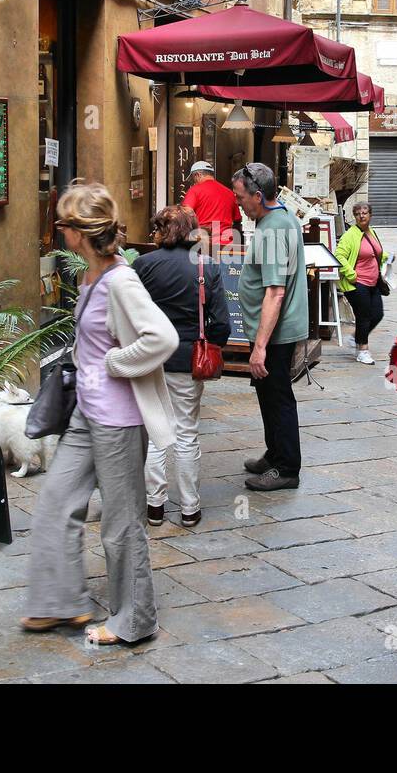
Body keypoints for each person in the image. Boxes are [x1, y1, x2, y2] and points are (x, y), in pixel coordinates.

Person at [21, 181, 178, 646]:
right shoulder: (91, 273)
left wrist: (114, 362)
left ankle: (135, 619)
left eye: (63, 223)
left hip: (118, 420)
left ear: (79, 232)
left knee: (121, 521)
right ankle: (59, 602)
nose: (58, 230)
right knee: (55, 500)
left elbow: (162, 339)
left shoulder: (121, 280)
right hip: (85, 414)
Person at [133, 205, 232, 528]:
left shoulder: (143, 265)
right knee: (187, 434)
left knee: (155, 433)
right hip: (189, 359)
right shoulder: (207, 266)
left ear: (161, 230)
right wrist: (211, 345)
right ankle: (190, 508)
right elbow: (221, 324)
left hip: (151, 358)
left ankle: (155, 506)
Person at [231, 162, 308, 492]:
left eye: (241, 198)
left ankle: (287, 468)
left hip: (275, 334)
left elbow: (275, 292)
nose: (239, 204)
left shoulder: (273, 229)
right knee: (269, 394)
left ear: (258, 196)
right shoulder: (279, 216)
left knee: (277, 397)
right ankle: (275, 454)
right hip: (274, 331)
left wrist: (260, 346)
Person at [335, 201, 390, 365]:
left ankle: (357, 337)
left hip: (373, 283)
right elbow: (339, 256)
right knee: (364, 316)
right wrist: (351, 274)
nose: (361, 216)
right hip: (357, 283)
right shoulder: (350, 235)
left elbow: (376, 251)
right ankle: (362, 351)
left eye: (365, 213)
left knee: (378, 314)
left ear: (370, 215)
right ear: (355, 216)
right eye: (358, 214)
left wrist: (386, 257)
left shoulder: (371, 232)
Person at [182, 160, 242, 249]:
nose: (194, 182)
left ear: (197, 175)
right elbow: (237, 220)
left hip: (203, 245)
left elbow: (185, 214)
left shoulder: (194, 190)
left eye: (193, 179)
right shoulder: (229, 193)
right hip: (227, 246)